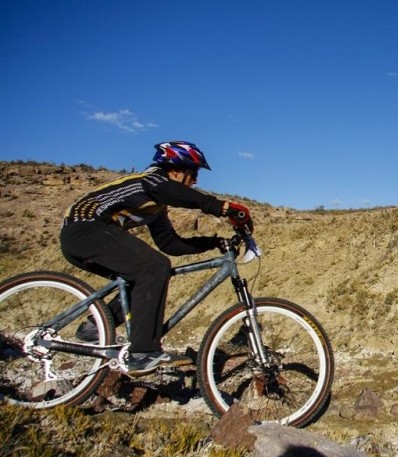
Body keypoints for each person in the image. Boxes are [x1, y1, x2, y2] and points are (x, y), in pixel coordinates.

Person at [60, 141, 253, 376]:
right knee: (154, 267)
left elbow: (169, 244)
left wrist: (213, 242)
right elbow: (175, 193)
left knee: (141, 276)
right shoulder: (150, 180)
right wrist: (222, 207)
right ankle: (142, 353)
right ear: (174, 170)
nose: (195, 181)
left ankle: (95, 327)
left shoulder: (155, 205)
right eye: (192, 174)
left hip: (86, 237)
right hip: (85, 229)